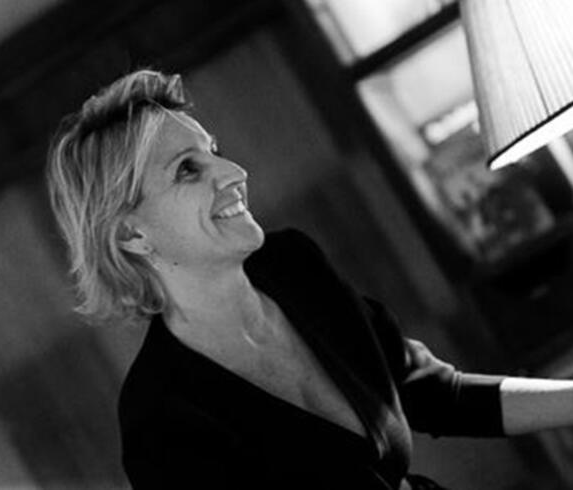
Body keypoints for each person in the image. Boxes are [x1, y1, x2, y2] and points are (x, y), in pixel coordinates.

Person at [46, 69, 573, 489]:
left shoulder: (294, 266)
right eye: (188, 169)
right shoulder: (161, 423)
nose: (234, 173)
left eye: (214, 152)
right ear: (132, 235)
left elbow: (432, 393)